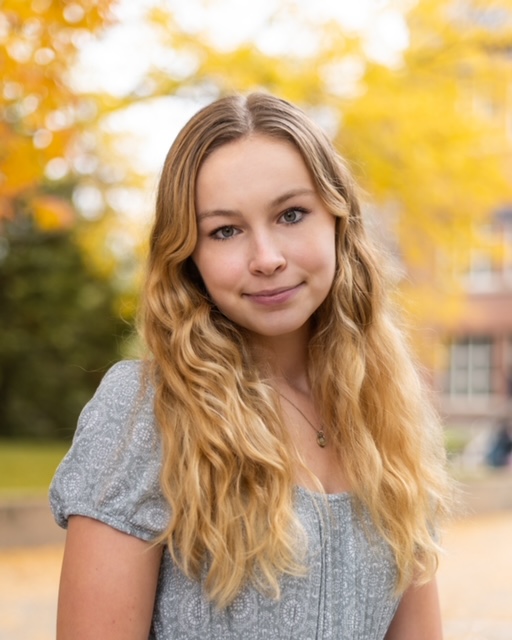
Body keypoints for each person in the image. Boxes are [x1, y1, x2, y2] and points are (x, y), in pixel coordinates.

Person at [50, 92, 453, 639]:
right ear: (188, 256)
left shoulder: (385, 409)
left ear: (338, 219)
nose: (266, 258)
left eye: (291, 214)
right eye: (225, 230)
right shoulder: (147, 410)